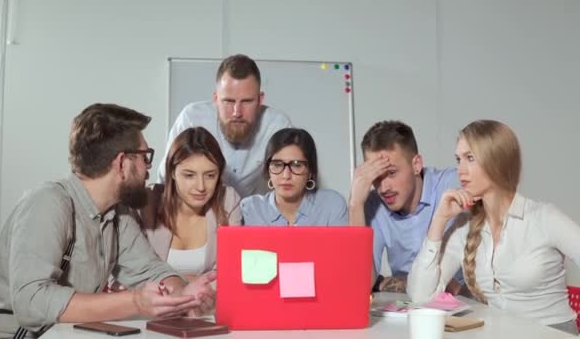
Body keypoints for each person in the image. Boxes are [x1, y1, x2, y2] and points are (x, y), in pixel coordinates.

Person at [0, 103, 215, 338]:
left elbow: (149, 269)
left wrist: (183, 294)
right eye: (144, 157)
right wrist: (134, 301)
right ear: (122, 163)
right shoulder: (48, 204)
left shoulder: (118, 213)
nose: (148, 168)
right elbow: (32, 301)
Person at [407, 119, 580, 335]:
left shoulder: (544, 218)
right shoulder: (464, 226)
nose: (460, 170)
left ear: (497, 160)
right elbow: (421, 296)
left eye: (470, 158)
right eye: (458, 159)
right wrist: (439, 220)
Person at [348, 120, 462, 293]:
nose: (384, 187)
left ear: (416, 165)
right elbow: (361, 284)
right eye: (376, 177)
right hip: (409, 304)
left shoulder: (453, 182)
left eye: (392, 173)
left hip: (465, 304)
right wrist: (355, 205)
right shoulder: (372, 204)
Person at [157, 54, 292, 198]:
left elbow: (294, 180)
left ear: (260, 100)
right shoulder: (192, 119)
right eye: (228, 101)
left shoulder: (278, 125)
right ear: (215, 99)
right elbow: (165, 180)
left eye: (246, 102)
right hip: (201, 214)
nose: (237, 112)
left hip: (254, 215)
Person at [141, 127, 242, 281]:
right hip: (155, 303)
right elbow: (134, 272)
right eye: (189, 175)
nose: (201, 186)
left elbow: (231, 272)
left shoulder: (228, 200)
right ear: (172, 172)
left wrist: (173, 280)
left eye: (210, 175)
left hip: (208, 302)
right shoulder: (148, 201)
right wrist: (191, 281)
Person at [241, 128, 348, 226]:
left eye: (297, 165)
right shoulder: (251, 208)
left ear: (310, 171)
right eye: (277, 165)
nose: (286, 176)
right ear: (268, 169)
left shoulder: (331, 205)